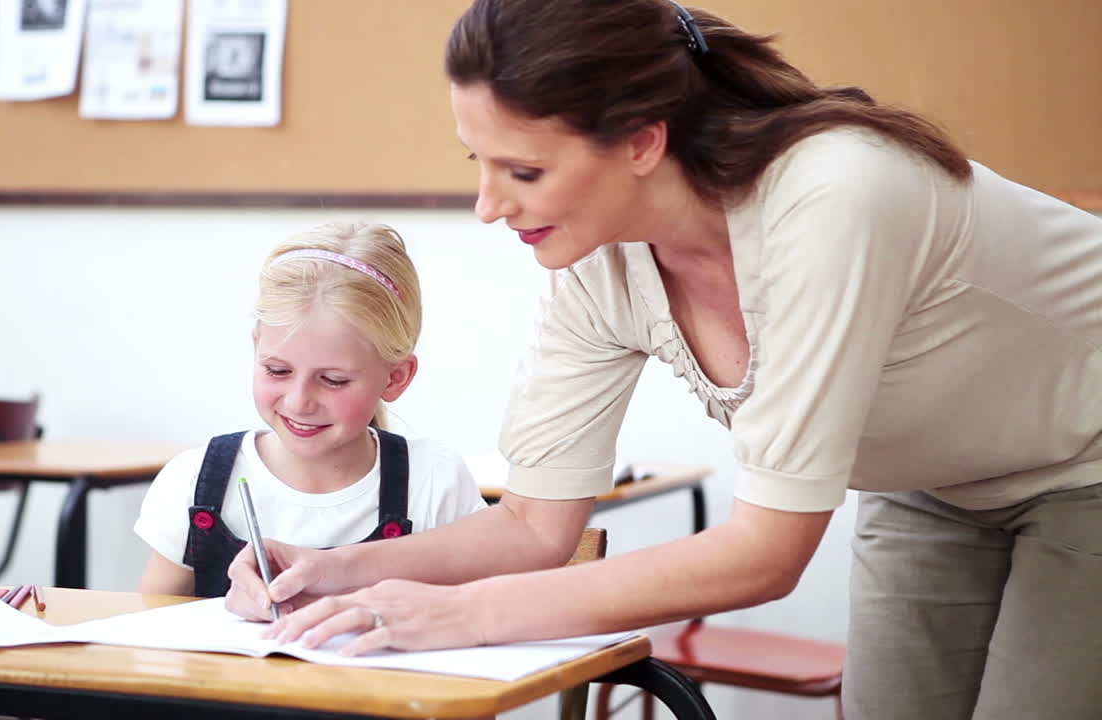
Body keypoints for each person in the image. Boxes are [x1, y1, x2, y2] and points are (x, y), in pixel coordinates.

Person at [225, 2, 1102, 717]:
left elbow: (765, 553)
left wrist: (459, 616)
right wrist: (338, 570)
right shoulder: (596, 262)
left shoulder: (832, 195)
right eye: (478, 164)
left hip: (1088, 463)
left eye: (523, 172)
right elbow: (535, 525)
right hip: (931, 485)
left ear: (643, 141)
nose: (488, 207)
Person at [134, 222, 487, 598]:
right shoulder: (194, 480)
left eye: (333, 380)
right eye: (277, 370)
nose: (299, 401)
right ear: (256, 347)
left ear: (395, 377)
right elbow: (151, 631)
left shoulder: (434, 482)